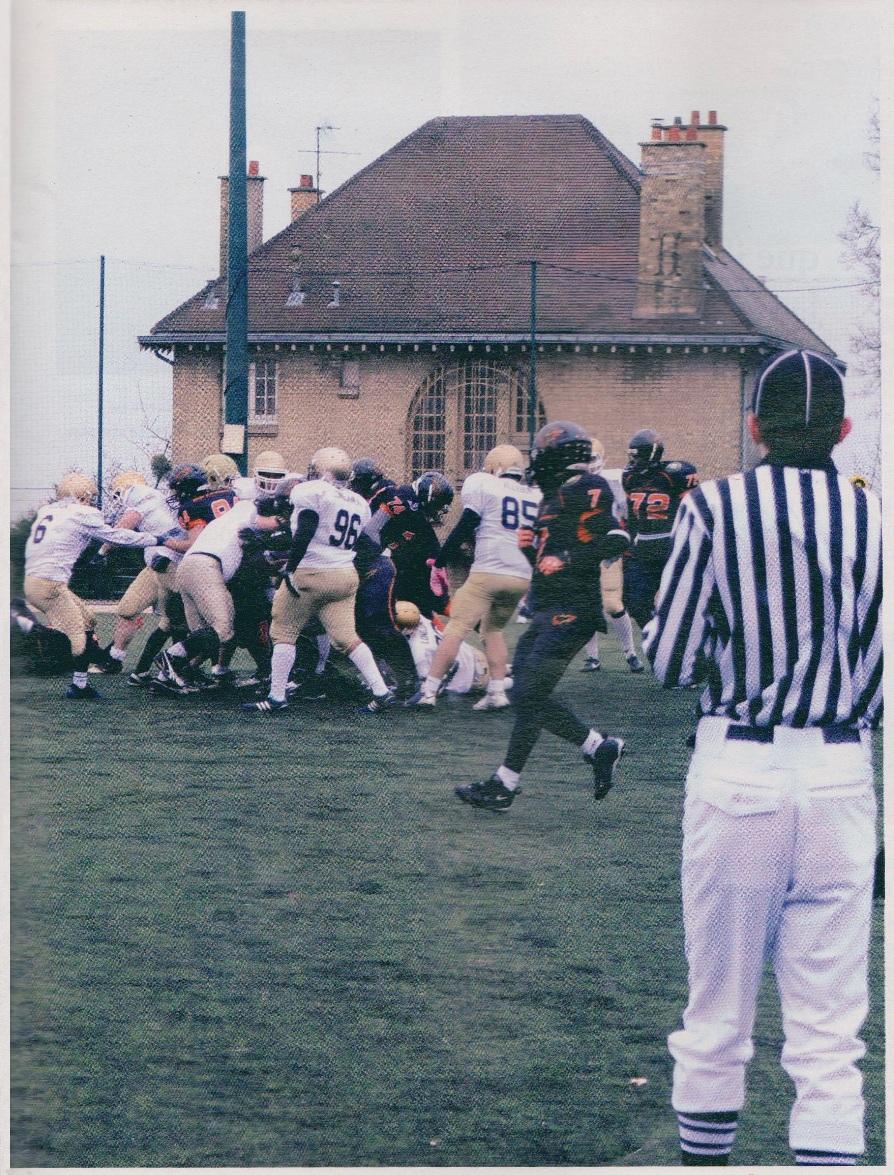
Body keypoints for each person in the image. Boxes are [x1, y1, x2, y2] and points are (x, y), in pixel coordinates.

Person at [642, 349, 882, 1166]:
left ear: (755, 428)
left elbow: (670, 659)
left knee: (716, 1018)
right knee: (829, 1037)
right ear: (843, 430)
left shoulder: (714, 507)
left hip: (739, 766)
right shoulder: (872, 515)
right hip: (843, 770)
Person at [455, 421, 629, 811]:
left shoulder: (591, 488)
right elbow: (545, 561)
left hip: (573, 610)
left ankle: (519, 778)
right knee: (525, 695)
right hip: (550, 608)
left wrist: (566, 557)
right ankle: (589, 751)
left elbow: (617, 539)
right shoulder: (553, 496)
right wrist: (532, 550)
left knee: (528, 695)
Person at [242, 447, 396, 715]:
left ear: (321, 470)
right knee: (347, 638)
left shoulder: (312, 492)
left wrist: (290, 568)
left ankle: (276, 697)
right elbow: (367, 541)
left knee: (283, 633)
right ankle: (381, 692)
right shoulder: (358, 502)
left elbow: (306, 529)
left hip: (312, 572)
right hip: (344, 575)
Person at [411, 444, 541, 710]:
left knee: (456, 628)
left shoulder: (484, 484)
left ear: (495, 467)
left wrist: (440, 560)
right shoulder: (534, 496)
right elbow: (535, 543)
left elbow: (466, 524)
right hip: (520, 576)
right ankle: (497, 692)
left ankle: (428, 691)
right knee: (492, 630)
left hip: (488, 571)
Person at [22, 472, 172, 698]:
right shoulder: (82, 513)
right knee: (78, 633)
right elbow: (117, 537)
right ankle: (79, 686)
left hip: (38, 581)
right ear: (80, 496)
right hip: (49, 585)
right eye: (88, 496)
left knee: (89, 619)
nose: (91, 500)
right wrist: (157, 539)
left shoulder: (48, 511)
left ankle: (104, 659)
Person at [97, 470, 185, 680]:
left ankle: (181, 667)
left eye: (119, 493)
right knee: (128, 609)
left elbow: (120, 531)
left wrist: (101, 552)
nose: (119, 499)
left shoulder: (143, 498)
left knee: (174, 620)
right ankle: (116, 658)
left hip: (172, 564)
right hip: (156, 564)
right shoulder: (158, 500)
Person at [622, 428, 698, 627]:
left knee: (680, 603)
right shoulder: (630, 477)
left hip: (671, 546)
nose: (633, 461)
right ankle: (656, 636)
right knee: (636, 604)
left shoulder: (675, 474)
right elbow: (632, 516)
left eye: (636, 456)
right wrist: (628, 548)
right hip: (643, 548)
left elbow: (693, 510)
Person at [580, 438, 644, 674]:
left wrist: (622, 542)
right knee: (587, 606)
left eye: (593, 458)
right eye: (584, 459)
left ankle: (631, 653)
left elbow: (629, 515)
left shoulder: (616, 480)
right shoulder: (572, 484)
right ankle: (592, 658)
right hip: (583, 551)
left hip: (609, 548)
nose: (588, 464)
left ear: (603, 459)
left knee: (612, 603)